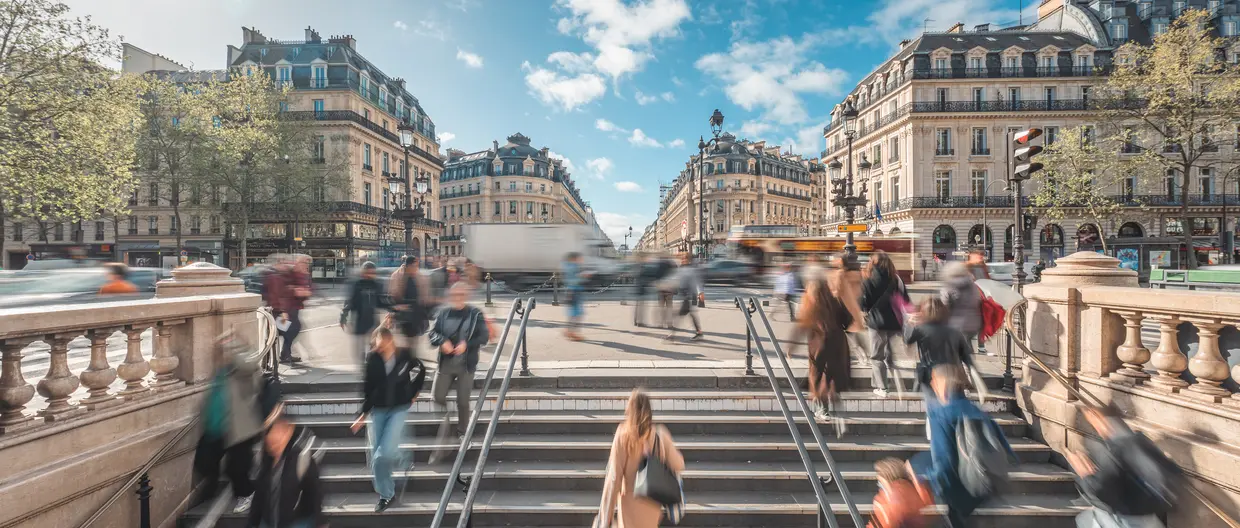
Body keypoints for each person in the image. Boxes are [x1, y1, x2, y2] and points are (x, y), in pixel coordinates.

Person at [910, 364, 1014, 528]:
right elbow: (1004, 447)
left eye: (934, 381)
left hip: (956, 491)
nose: (931, 385)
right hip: (981, 487)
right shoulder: (977, 411)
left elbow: (944, 461)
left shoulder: (940, 414)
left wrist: (926, 480)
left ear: (942, 383)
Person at [1067, 405, 1182, 528]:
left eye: (1092, 421)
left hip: (1128, 518)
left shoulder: (1117, 449)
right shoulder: (1141, 441)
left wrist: (1086, 475)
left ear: (1099, 418)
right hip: (1152, 517)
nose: (1094, 428)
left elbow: (1104, 489)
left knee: (1085, 520)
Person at [351, 327, 423, 512]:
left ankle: (386, 495)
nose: (380, 350)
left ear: (391, 342)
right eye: (377, 347)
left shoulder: (404, 355)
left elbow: (420, 370)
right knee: (377, 455)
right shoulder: (373, 359)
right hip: (378, 410)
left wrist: (415, 392)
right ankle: (399, 463)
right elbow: (368, 388)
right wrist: (362, 414)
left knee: (382, 456)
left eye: (383, 347)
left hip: (399, 409)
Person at [193, 333, 264, 514]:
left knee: (236, 468)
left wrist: (237, 343)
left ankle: (246, 493)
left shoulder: (244, 373)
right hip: (215, 429)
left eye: (227, 350)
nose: (224, 353)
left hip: (238, 429)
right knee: (204, 461)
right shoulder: (220, 371)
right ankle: (210, 489)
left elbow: (249, 361)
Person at [595, 389, 685, 528]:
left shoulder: (623, 436)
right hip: (651, 503)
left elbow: (614, 479)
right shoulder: (660, 435)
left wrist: (606, 516)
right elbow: (679, 465)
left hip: (629, 505)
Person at [427, 283, 490, 463]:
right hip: (446, 364)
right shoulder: (443, 313)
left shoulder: (475, 314)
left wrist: (466, 345)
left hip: (466, 365)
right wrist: (442, 341)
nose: (458, 297)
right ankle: (447, 430)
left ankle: (463, 433)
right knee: (437, 396)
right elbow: (431, 333)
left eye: (462, 294)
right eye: (455, 294)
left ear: (466, 295)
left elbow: (483, 337)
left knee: (463, 401)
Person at [249, 407, 324, 528]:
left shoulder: (302, 459)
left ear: (288, 432)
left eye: (280, 433)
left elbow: (315, 494)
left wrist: (320, 522)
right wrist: (252, 523)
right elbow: (259, 496)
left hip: (296, 523)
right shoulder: (264, 461)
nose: (274, 442)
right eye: (271, 439)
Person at [796, 277, 852, 432]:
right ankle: (832, 403)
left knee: (817, 374)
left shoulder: (811, 304)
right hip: (837, 343)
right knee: (831, 373)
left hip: (818, 344)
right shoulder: (835, 301)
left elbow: (802, 325)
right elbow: (849, 320)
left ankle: (822, 409)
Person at [905, 297, 976, 402]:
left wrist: (909, 323)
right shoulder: (954, 331)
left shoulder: (920, 329)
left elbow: (908, 339)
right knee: (954, 409)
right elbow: (966, 356)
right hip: (953, 375)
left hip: (931, 375)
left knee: (934, 406)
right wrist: (973, 372)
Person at [860, 251, 909, 397]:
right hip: (894, 322)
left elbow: (864, 302)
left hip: (877, 323)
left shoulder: (868, 279)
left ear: (873, 262)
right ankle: (890, 379)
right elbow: (905, 298)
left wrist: (864, 311)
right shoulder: (896, 278)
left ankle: (882, 388)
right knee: (886, 352)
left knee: (876, 356)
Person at [340, 262, 391, 363]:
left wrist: (392, 308)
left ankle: (371, 363)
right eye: (367, 272)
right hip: (359, 320)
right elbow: (349, 302)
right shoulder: (356, 284)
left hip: (372, 321)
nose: (370, 275)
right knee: (360, 348)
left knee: (373, 345)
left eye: (372, 273)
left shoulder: (376, 284)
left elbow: (380, 302)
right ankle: (363, 365)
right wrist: (343, 317)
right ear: (363, 272)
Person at [868, 457, 934, 528]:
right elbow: (927, 502)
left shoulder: (885, 498)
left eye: (880, 479)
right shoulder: (912, 491)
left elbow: (889, 522)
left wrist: (887, 491)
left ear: (886, 477)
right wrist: (914, 478)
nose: (879, 482)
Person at [828, 253, 869, 364]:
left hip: (843, 308)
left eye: (835, 259)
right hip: (852, 307)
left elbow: (837, 291)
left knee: (848, 334)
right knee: (852, 334)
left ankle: (861, 357)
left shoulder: (840, 274)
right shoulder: (855, 274)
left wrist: (831, 292)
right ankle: (864, 355)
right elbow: (860, 291)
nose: (832, 261)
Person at [940, 262, 986, 356]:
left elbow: (945, 304)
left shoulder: (949, 286)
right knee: (966, 344)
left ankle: (967, 366)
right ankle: (970, 366)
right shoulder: (972, 285)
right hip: (974, 323)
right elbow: (977, 300)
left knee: (956, 348)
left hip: (955, 323)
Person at [389, 256, 432, 351]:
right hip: (403, 316)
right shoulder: (397, 276)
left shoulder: (418, 276)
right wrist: (398, 306)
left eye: (417, 265)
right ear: (408, 266)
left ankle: (411, 358)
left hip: (415, 315)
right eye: (414, 265)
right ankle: (407, 359)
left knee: (413, 343)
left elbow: (423, 293)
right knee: (405, 343)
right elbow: (392, 296)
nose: (416, 268)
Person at [663, 254, 703, 342]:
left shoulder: (691, 270)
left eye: (684, 258)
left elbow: (696, 282)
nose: (682, 260)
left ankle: (672, 335)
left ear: (689, 260)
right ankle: (699, 333)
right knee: (691, 314)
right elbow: (674, 278)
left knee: (678, 315)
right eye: (682, 258)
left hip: (689, 296)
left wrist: (700, 292)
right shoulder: (682, 268)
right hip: (685, 295)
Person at [563, 252, 591, 341]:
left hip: (571, 291)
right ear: (573, 259)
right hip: (575, 291)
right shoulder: (573, 267)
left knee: (574, 312)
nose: (581, 260)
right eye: (579, 258)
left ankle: (569, 331)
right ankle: (573, 332)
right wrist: (583, 276)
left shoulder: (567, 266)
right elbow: (574, 280)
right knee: (577, 313)